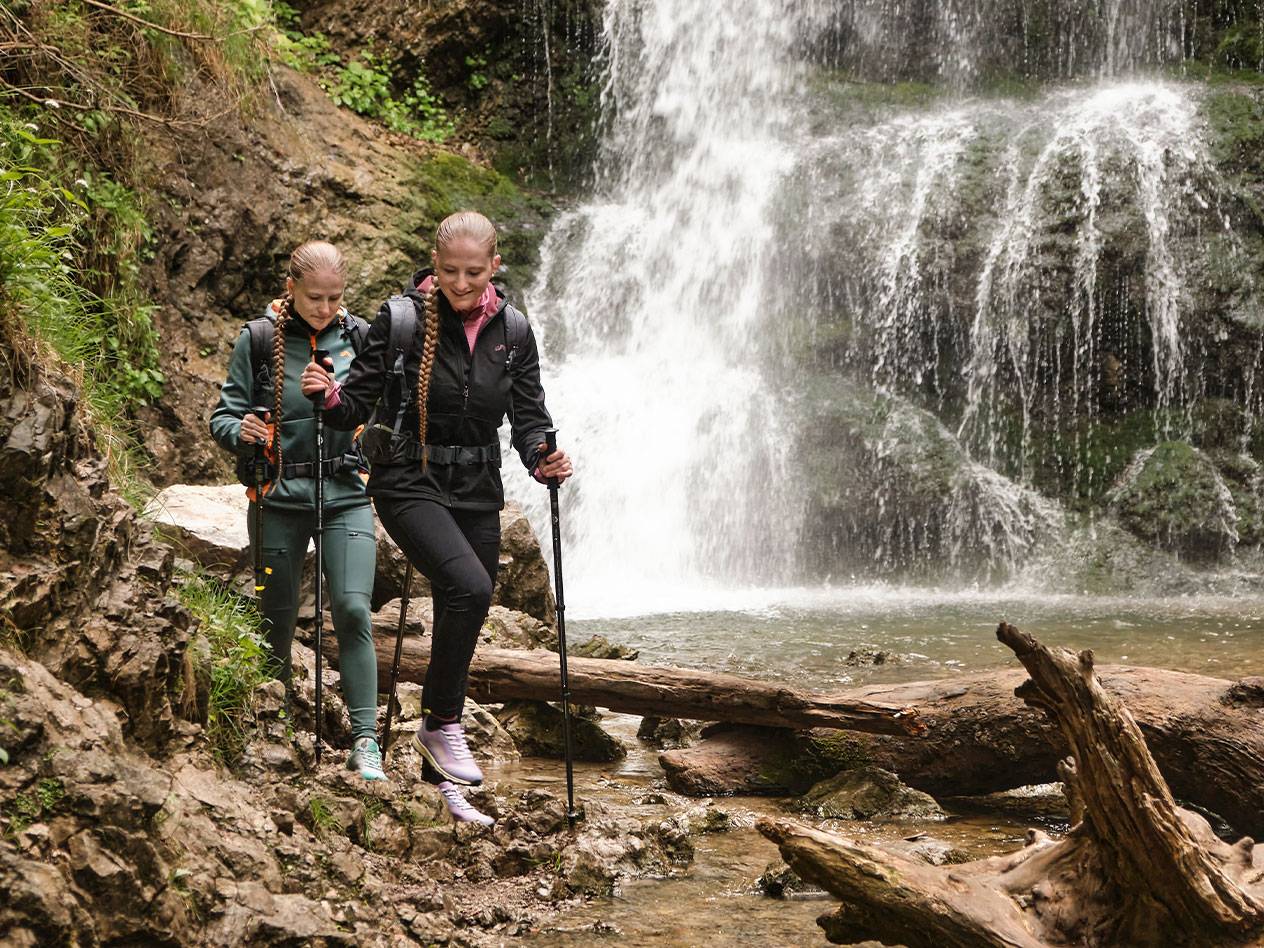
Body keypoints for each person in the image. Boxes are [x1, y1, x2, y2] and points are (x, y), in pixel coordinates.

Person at [300, 211, 572, 824]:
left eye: (474, 272)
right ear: (434, 262)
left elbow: (528, 417)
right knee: (470, 586)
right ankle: (442, 723)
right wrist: (329, 395)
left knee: (467, 601)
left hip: (478, 484)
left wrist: (542, 458)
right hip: (407, 480)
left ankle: (445, 788)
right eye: (450, 270)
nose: (461, 282)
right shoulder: (400, 321)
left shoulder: (516, 332)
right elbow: (354, 407)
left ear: (494, 266)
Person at [209, 240, 386, 783]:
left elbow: (383, 411)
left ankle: (365, 741)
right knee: (276, 621)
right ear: (291, 288)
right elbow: (223, 416)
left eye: (335, 298)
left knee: (354, 610)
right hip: (278, 499)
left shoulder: (358, 338)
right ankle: (274, 723)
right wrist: (240, 431)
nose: (325, 309)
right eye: (315, 298)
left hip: (346, 494)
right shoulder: (259, 340)